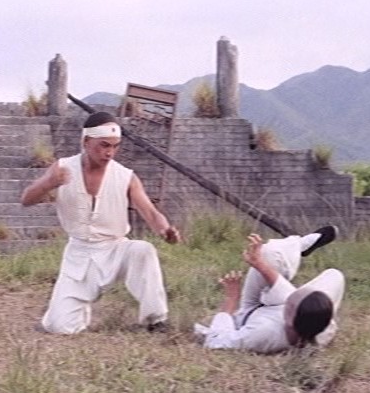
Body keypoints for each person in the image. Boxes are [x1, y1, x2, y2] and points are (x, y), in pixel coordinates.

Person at [21, 111, 182, 335]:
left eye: (115, 146)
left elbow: (150, 212)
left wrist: (165, 229)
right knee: (59, 327)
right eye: (104, 145)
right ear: (86, 141)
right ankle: (74, 312)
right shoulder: (62, 168)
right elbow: (26, 199)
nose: (110, 152)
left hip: (116, 249)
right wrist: (48, 183)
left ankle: (155, 320)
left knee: (143, 250)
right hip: (79, 254)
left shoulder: (126, 177)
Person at [193, 228, 344, 354]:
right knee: (334, 275)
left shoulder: (262, 333)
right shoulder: (319, 326)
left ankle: (295, 245)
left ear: (289, 318)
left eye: (290, 302)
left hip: (251, 310)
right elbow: (287, 293)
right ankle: (300, 245)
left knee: (269, 253)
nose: (291, 292)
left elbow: (215, 341)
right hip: (281, 309)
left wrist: (232, 298)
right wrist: (258, 263)